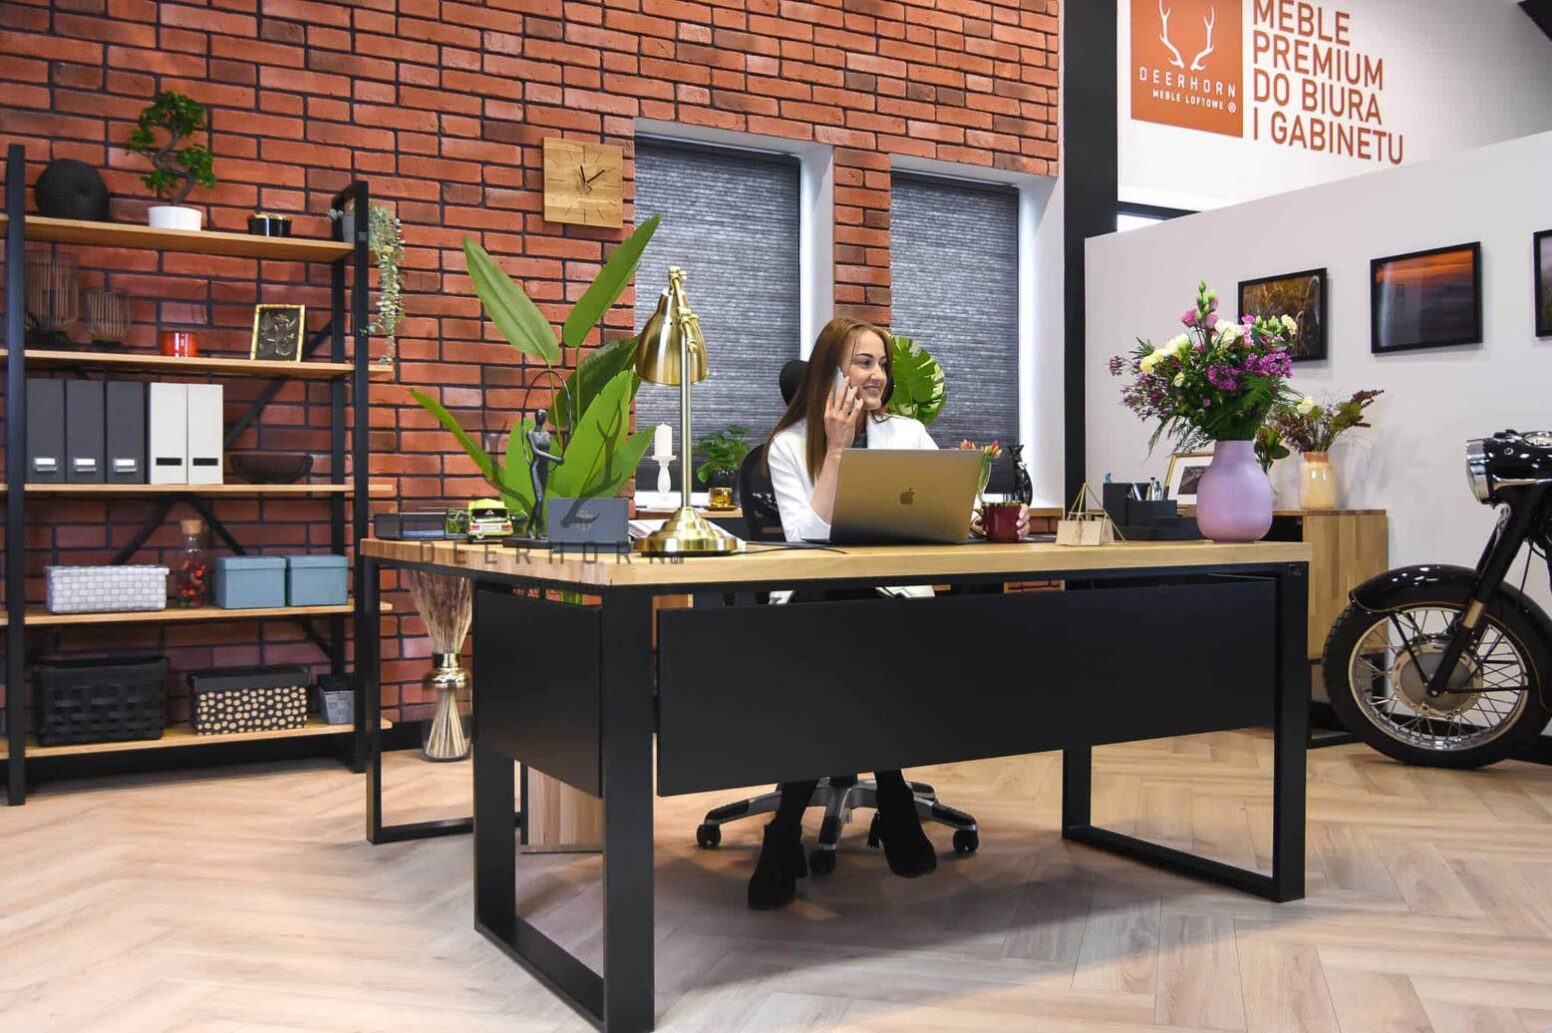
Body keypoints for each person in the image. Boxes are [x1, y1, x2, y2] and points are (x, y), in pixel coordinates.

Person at [749, 317, 1028, 910]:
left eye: (881, 364)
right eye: (863, 363)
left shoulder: (909, 433)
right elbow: (807, 540)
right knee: (839, 605)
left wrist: (999, 520)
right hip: (807, 612)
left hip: (893, 607)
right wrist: (839, 449)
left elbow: (960, 517)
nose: (877, 375)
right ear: (831, 371)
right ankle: (894, 796)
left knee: (854, 629)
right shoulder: (789, 445)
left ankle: (787, 825)